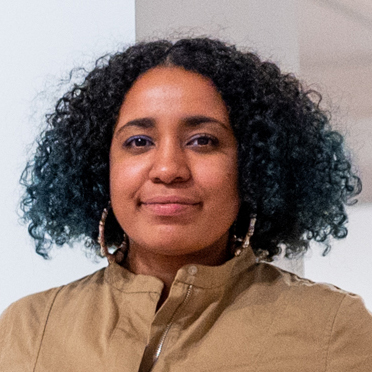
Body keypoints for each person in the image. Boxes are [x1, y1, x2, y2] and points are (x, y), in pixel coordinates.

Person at [0, 38, 371, 371]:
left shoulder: (331, 329)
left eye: (202, 141)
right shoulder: (28, 328)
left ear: (256, 166)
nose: (168, 169)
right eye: (139, 142)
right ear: (100, 167)